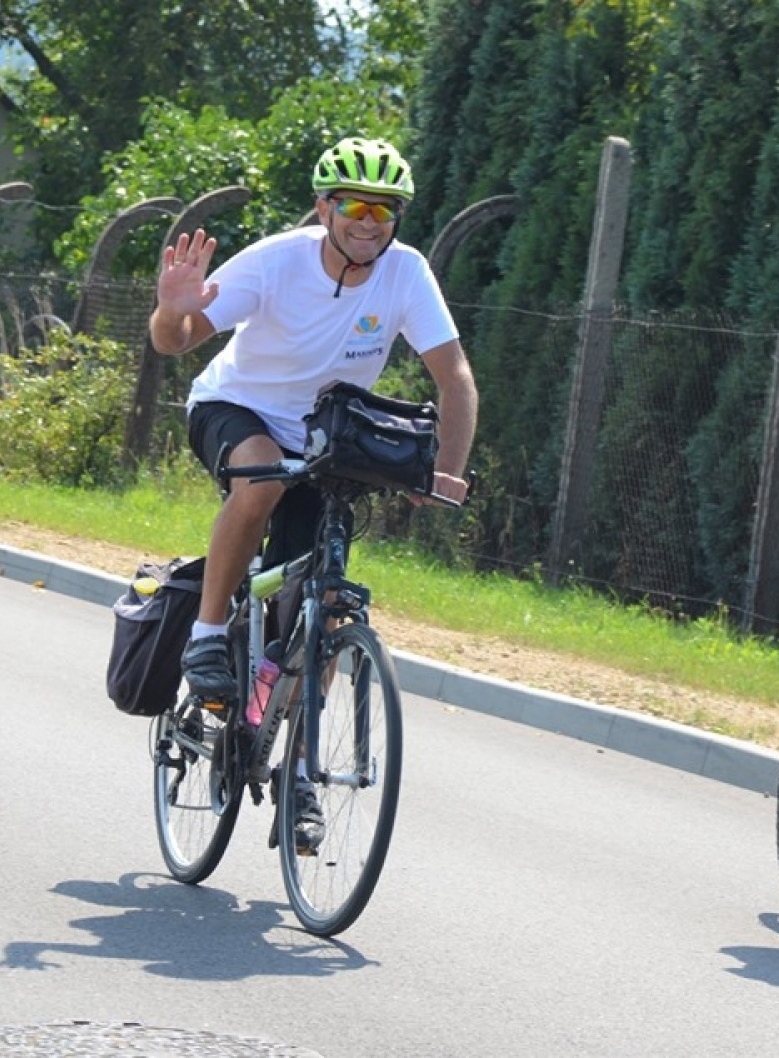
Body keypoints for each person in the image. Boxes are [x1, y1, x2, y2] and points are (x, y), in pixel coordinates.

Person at [149, 136, 478, 849]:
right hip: (235, 409)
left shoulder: (406, 272)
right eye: (355, 207)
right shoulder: (276, 261)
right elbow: (176, 340)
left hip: (326, 438)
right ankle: (207, 636)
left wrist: (446, 468)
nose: (369, 223)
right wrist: (172, 310)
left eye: (384, 211)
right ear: (325, 208)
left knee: (319, 605)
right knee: (261, 477)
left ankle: (294, 768)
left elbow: (453, 377)